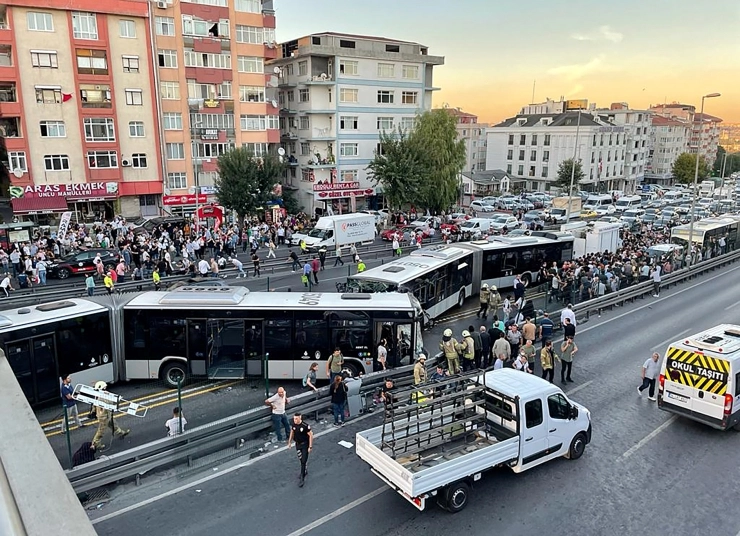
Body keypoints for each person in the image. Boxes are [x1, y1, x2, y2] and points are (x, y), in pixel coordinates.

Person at [91, 381, 130, 450]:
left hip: (106, 415)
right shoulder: (102, 396)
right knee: (101, 431)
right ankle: (95, 444)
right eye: (104, 387)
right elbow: (109, 403)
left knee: (113, 424)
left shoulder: (98, 395)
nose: (106, 388)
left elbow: (94, 405)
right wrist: (115, 399)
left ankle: (121, 433)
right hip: (103, 417)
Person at [286, 413, 313, 488]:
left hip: (305, 445)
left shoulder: (305, 426)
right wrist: (289, 442)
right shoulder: (293, 425)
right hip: (298, 445)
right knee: (301, 459)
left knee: (303, 461)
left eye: (296, 419)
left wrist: (310, 446)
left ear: (300, 418)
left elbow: (311, 435)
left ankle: (302, 478)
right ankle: (304, 470)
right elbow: (292, 432)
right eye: (294, 419)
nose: (295, 420)